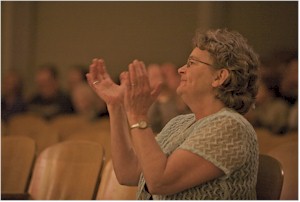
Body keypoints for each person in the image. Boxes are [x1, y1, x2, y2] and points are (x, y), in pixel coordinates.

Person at [87, 28, 260, 200]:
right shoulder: (179, 123)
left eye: (192, 63)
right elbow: (128, 172)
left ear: (219, 77)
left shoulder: (231, 126)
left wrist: (138, 114)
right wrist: (116, 107)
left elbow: (159, 182)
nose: (181, 70)